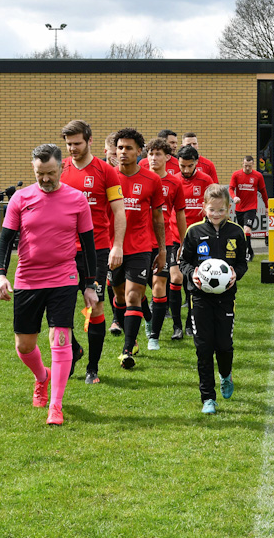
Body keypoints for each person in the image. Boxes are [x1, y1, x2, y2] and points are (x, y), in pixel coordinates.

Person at [0, 144, 97, 426]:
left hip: (63, 277)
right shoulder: (20, 198)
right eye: (40, 174)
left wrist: (90, 284)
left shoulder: (77, 200)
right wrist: (0, 274)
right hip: (28, 278)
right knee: (24, 345)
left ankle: (56, 405)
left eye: (51, 173)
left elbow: (88, 246)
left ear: (60, 168)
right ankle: (42, 377)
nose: (46, 179)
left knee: (60, 338)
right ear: (34, 170)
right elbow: (6, 239)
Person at [59, 119, 127, 384]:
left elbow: (119, 211)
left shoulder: (105, 171)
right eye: (68, 145)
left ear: (89, 141)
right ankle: (74, 349)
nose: (73, 149)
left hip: (96, 250)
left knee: (96, 307)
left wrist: (117, 245)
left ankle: (92, 368)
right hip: (63, 251)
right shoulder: (61, 169)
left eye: (77, 143)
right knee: (59, 308)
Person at [179, 185, 248, 414]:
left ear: (229, 208)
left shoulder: (236, 232)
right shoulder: (194, 232)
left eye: (221, 210)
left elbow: (242, 263)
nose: (216, 214)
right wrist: (193, 274)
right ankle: (208, 397)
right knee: (204, 347)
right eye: (212, 209)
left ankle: (226, 374)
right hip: (199, 298)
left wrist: (236, 273)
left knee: (224, 346)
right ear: (203, 208)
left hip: (226, 298)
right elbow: (184, 262)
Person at [110, 128, 166, 369]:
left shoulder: (152, 180)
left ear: (138, 151)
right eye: (120, 147)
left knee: (132, 295)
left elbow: (157, 217)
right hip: (113, 247)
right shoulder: (108, 177)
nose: (123, 152)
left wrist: (162, 249)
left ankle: (128, 348)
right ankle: (142, 310)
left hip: (141, 246)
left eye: (128, 148)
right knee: (120, 295)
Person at [145, 137, 187, 347]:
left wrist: (184, 241)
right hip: (139, 243)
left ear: (168, 157)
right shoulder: (140, 178)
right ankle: (146, 316)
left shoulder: (174, 182)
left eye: (158, 154)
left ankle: (154, 336)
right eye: (150, 154)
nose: (153, 158)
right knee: (134, 291)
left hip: (165, 242)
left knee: (159, 286)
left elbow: (179, 214)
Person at [176, 144, 217, 334]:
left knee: (197, 279)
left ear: (196, 163)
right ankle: (179, 321)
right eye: (182, 166)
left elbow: (214, 206)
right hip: (177, 236)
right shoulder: (174, 181)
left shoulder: (206, 180)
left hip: (201, 237)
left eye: (189, 166)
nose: (185, 170)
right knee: (181, 279)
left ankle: (190, 321)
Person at [229, 155, 268, 261]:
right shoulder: (236, 175)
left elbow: (263, 192)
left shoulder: (258, 176)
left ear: (253, 165)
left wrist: (266, 206)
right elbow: (231, 188)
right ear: (243, 164)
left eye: (249, 166)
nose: (247, 168)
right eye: (246, 166)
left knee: (247, 229)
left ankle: (248, 253)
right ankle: (247, 250)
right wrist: (234, 197)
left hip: (251, 207)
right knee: (240, 232)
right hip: (239, 208)